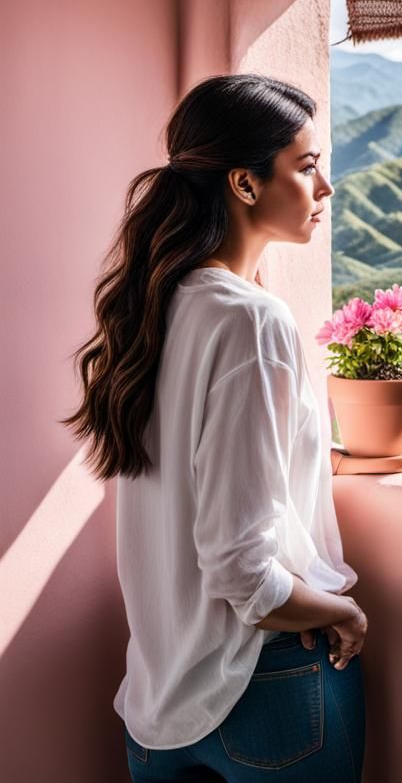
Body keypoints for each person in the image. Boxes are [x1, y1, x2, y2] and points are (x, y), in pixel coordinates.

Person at [61, 74, 368, 781]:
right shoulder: (250, 320)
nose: (324, 189)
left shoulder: (156, 303)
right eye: (308, 165)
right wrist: (343, 616)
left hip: (157, 695)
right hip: (264, 680)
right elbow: (240, 568)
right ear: (245, 183)